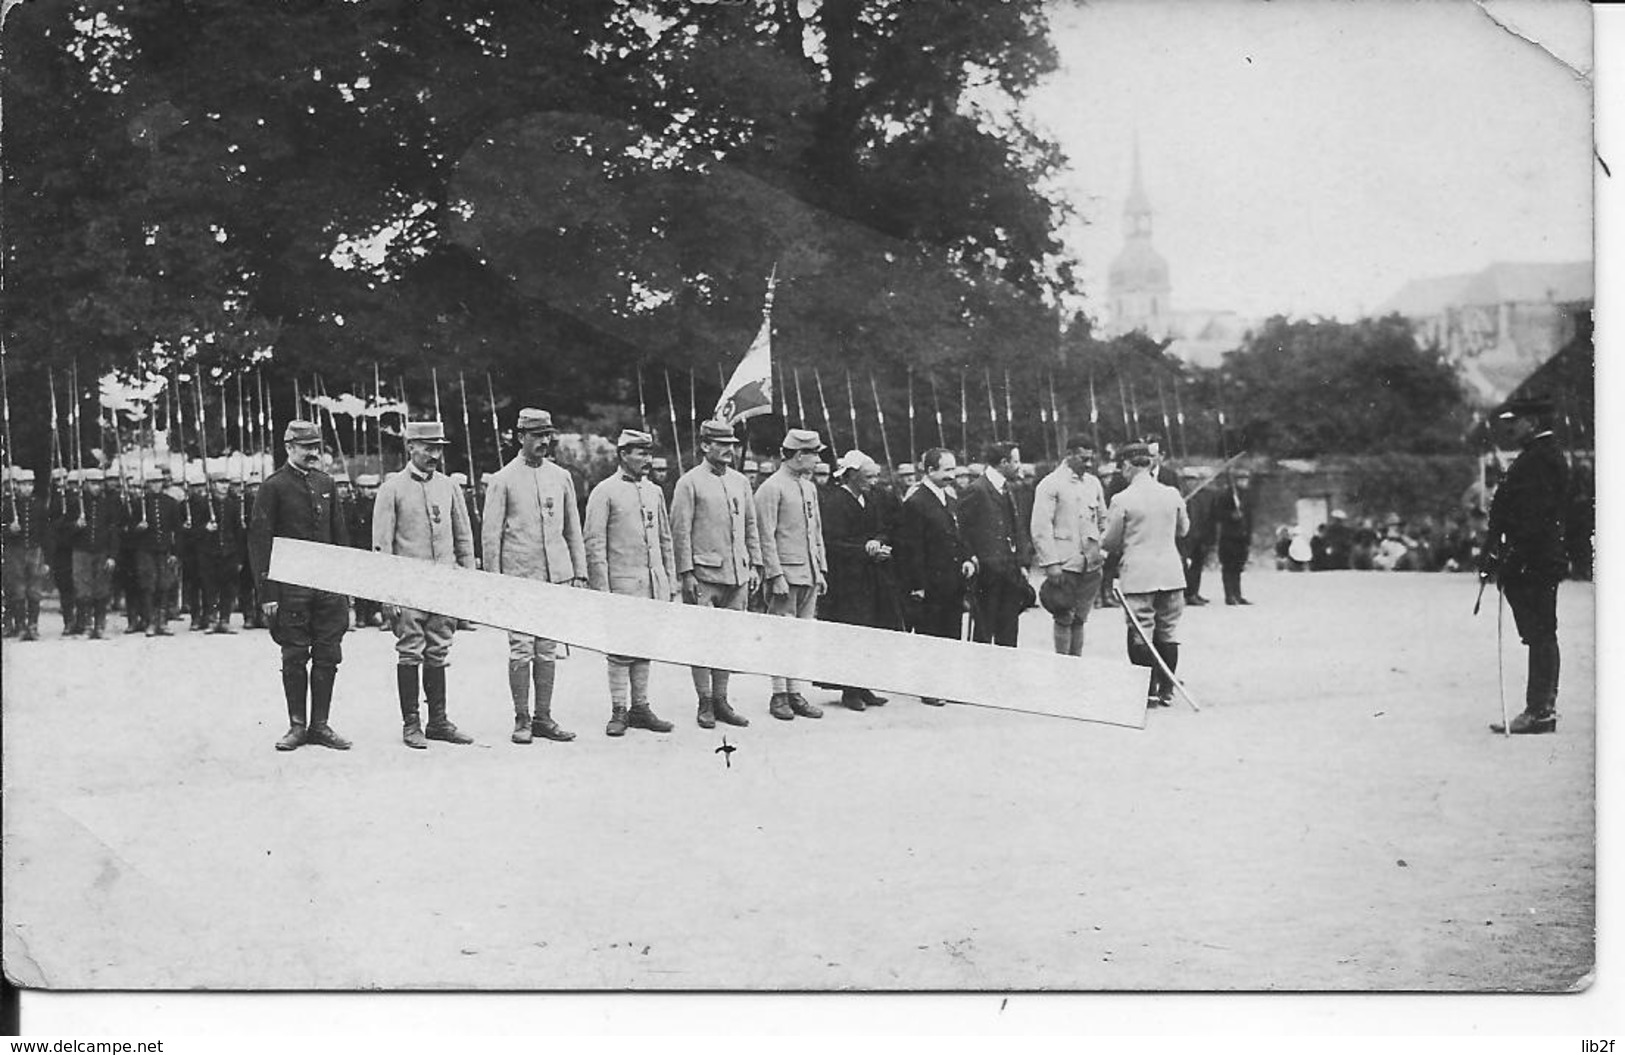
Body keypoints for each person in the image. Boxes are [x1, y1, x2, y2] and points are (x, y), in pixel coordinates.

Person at [481, 408, 588, 745]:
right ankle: (522, 718)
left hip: (554, 578)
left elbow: (573, 529)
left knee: (547, 648)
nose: (545, 441)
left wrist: (579, 573)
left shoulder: (561, 477)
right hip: (519, 578)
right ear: (520, 437)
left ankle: (544, 717)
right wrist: (495, 583)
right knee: (521, 649)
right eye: (537, 435)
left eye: (548, 435)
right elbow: (491, 536)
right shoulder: (502, 480)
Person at [247, 421, 352, 751]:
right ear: (289, 447)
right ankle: (297, 726)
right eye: (305, 447)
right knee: (294, 654)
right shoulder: (273, 487)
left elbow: (339, 537)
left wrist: (345, 584)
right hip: (290, 586)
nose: (312, 453)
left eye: (315, 446)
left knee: (328, 654)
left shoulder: (326, 483)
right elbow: (260, 542)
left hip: (326, 585)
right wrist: (267, 593)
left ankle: (320, 725)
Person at [373, 420, 478, 749]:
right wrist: (386, 595)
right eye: (428, 448)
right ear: (411, 448)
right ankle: (411, 724)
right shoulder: (392, 488)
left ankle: (439, 721)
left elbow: (464, 538)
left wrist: (467, 580)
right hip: (409, 586)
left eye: (439, 449)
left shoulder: (449, 487)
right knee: (410, 652)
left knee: (438, 650)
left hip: (444, 585)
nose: (435, 455)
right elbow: (382, 546)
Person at [1483, 396, 1570, 735]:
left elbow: (1532, 518)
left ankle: (1540, 710)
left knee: (1540, 633)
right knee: (1540, 633)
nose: (1509, 428)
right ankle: (1541, 708)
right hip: (1534, 558)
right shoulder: (1539, 456)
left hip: (1533, 560)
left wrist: (1508, 553)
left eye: (1514, 422)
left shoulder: (1540, 459)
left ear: (1532, 423)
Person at [584, 429, 677, 736]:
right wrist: (602, 589)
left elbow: (665, 539)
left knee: (644, 646)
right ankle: (619, 710)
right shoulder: (604, 492)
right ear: (623, 454)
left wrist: (669, 581)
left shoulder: (654, 492)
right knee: (620, 649)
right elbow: (594, 543)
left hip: (651, 584)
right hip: (620, 586)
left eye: (649, 453)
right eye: (640, 453)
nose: (647, 459)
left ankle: (640, 707)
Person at [669, 418, 760, 729]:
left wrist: (756, 564)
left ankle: (722, 699)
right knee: (702, 639)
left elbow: (750, 526)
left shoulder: (741, 482)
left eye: (731, 445)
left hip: (738, 575)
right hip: (704, 575)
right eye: (721, 445)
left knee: (729, 640)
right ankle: (705, 701)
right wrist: (686, 573)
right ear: (705, 445)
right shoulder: (689, 482)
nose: (728, 451)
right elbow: (679, 531)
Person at [1103, 442, 1190, 709]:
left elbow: (1111, 541)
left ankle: (1147, 691)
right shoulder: (1172, 493)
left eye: (1122, 467)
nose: (1122, 473)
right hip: (1171, 572)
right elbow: (1184, 530)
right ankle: (1167, 689)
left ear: (1129, 465)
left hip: (1139, 574)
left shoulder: (1122, 499)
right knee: (1168, 630)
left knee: (1141, 630)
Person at [754, 428, 829, 720]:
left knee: (800, 637)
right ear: (799, 455)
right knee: (780, 636)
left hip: (808, 573)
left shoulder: (808, 487)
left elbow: (816, 531)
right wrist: (775, 575)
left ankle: (795, 691)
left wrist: (820, 569)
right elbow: (765, 536)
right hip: (786, 575)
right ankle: (779, 694)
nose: (817, 460)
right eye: (814, 454)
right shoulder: (772, 488)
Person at [819, 449, 902, 710]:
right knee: (850, 632)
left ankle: (864, 685)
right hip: (847, 580)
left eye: (876, 476)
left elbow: (883, 528)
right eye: (869, 476)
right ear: (852, 475)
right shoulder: (835, 501)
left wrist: (879, 542)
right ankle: (849, 690)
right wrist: (864, 549)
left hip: (870, 575)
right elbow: (832, 542)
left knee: (870, 629)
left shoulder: (871, 499)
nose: (874, 481)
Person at [897, 447, 977, 706]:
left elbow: (958, 536)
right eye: (946, 470)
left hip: (952, 579)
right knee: (930, 633)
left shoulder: (949, 499)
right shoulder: (916, 503)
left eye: (954, 469)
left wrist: (967, 558)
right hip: (930, 582)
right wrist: (917, 585)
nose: (951, 475)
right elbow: (912, 547)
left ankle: (949, 684)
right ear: (930, 471)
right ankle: (929, 686)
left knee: (951, 630)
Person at [1030, 435, 1108, 656]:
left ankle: (1077, 666)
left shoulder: (1093, 484)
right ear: (1069, 454)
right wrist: (1051, 563)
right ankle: (1062, 669)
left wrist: (1102, 550)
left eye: (1091, 459)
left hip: (1090, 564)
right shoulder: (1051, 484)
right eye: (1084, 459)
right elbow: (1040, 527)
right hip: (1064, 564)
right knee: (1064, 617)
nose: (1089, 464)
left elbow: (1104, 520)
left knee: (1080, 618)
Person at [957, 441, 1034, 647]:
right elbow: (963, 530)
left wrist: (1022, 564)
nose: (1019, 466)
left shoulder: (1008, 488)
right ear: (1003, 462)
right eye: (1015, 461)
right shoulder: (977, 490)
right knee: (983, 632)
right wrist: (970, 557)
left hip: (1010, 573)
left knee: (1008, 632)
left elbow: (1017, 528)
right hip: (986, 574)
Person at [127, 464, 183, 636]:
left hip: (164, 550)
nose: (156, 485)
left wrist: (175, 553)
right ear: (148, 485)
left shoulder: (171, 503)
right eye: (153, 482)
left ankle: (163, 621)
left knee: (164, 585)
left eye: (159, 482)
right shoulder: (139, 504)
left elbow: (177, 530)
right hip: (145, 550)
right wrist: (138, 528)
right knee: (148, 586)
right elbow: (129, 529)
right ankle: (150, 621)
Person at [68, 467, 123, 640]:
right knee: (83, 590)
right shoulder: (75, 503)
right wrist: (76, 525)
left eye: (99, 484)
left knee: (102, 589)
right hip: (81, 551)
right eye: (93, 484)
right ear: (85, 485)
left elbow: (114, 531)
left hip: (102, 551)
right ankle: (86, 626)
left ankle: (100, 626)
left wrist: (113, 556)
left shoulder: (109, 504)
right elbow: (61, 530)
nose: (96, 488)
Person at [193, 470, 246, 633]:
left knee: (228, 587)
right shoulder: (203, 504)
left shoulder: (233, 505)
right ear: (212, 485)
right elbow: (192, 531)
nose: (224, 486)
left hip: (229, 552)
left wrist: (239, 558)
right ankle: (211, 620)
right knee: (209, 587)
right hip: (208, 553)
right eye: (220, 483)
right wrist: (205, 528)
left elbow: (239, 533)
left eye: (226, 483)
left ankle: (225, 619)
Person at [2, 467, 51, 640]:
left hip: (35, 551)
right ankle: (21, 626)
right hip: (15, 552)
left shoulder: (39, 506)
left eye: (30, 484)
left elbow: (46, 533)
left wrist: (47, 559)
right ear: (17, 486)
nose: (27, 488)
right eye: (24, 484)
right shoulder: (8, 505)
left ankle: (33, 625)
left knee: (35, 590)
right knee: (18, 590)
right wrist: (9, 529)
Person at [1214, 470, 1253, 604]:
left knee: (1238, 567)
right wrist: (1231, 515)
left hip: (1242, 538)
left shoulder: (1247, 497)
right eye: (1241, 479)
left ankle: (1238, 594)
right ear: (1236, 481)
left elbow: (1249, 518)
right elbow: (1218, 514)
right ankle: (1229, 595)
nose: (1244, 482)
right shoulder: (1226, 495)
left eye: (1246, 479)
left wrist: (1248, 537)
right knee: (1228, 567)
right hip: (1229, 537)